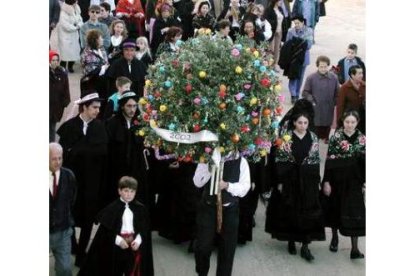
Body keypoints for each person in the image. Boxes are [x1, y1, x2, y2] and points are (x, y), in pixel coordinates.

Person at [57, 91, 108, 267]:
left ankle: (81, 254)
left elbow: (102, 152)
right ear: (84, 107)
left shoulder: (100, 127)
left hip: (92, 183)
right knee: (68, 216)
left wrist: (79, 150)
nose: (97, 111)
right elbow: (63, 154)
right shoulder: (70, 127)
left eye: (99, 108)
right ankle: (74, 245)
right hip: (72, 182)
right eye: (94, 107)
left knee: (88, 219)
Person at [265, 112, 325, 262]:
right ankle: (291, 240)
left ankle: (305, 245)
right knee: (291, 211)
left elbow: (315, 160)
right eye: (300, 123)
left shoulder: (313, 137)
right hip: (290, 181)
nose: (302, 126)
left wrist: (317, 180)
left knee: (308, 213)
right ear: (294, 123)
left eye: (305, 123)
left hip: (308, 181)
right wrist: (280, 181)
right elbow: (280, 160)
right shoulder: (286, 138)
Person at [78, 176, 154, 275]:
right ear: (119, 191)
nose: (129, 194)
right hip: (116, 247)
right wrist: (118, 240)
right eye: (126, 191)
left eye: (132, 191)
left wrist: (138, 240)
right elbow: (105, 233)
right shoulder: (112, 208)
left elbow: (144, 229)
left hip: (134, 246)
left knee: (132, 271)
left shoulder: (140, 209)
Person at [193, 151, 251, 276]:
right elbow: (197, 182)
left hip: (230, 209)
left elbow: (244, 188)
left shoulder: (241, 161)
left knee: (227, 250)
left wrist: (227, 186)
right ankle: (202, 272)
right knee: (202, 246)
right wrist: (210, 169)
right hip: (208, 207)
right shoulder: (206, 159)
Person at [321, 110, 365, 259]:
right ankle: (334, 239)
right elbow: (329, 160)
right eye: (347, 122)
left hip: (354, 182)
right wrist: (326, 181)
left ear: (357, 123)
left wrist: (364, 182)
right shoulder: (336, 137)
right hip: (337, 180)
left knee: (355, 212)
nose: (350, 125)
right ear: (343, 122)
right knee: (335, 210)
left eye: (353, 122)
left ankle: (355, 249)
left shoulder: (362, 139)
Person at [105, 91, 154, 210]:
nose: (132, 109)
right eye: (129, 106)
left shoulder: (140, 124)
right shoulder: (112, 123)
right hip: (118, 168)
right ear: (122, 106)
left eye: (134, 106)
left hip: (136, 167)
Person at [49, 142, 77, 276]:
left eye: (60, 158)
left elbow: (72, 199)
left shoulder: (69, 175)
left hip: (63, 231)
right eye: (54, 159)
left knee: (65, 269)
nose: (58, 162)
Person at [302, 55, 339, 142]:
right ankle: (315, 139)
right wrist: (312, 101)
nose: (323, 69)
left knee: (327, 123)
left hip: (329, 106)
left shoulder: (334, 78)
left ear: (328, 66)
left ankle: (326, 137)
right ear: (317, 66)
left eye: (325, 67)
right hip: (316, 106)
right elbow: (305, 92)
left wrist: (334, 102)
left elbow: (338, 92)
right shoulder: (311, 78)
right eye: (321, 67)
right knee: (316, 123)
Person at [281, 15, 313, 104]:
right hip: (293, 58)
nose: (296, 25)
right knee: (293, 76)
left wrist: (296, 43)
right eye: (295, 23)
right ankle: (293, 95)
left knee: (300, 77)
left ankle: (297, 94)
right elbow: (287, 44)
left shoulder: (309, 31)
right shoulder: (291, 31)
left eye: (298, 23)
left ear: (303, 22)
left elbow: (309, 45)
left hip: (303, 59)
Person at [80, 29, 110, 117]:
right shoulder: (87, 53)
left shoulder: (102, 50)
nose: (102, 40)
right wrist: (104, 67)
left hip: (102, 84)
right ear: (95, 40)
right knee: (91, 106)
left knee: (102, 107)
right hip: (90, 84)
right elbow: (91, 71)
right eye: (101, 38)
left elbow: (106, 61)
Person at [336, 65, 366, 134]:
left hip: (363, 122)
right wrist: (340, 122)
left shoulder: (364, 86)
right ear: (352, 75)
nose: (362, 75)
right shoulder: (344, 88)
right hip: (350, 122)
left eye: (362, 73)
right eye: (359, 73)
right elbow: (340, 106)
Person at [56, 0, 83, 73]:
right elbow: (65, 25)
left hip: (74, 34)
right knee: (65, 52)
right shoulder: (63, 12)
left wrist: (78, 25)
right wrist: (76, 27)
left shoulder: (76, 9)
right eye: (75, 2)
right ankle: (62, 67)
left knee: (74, 52)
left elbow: (80, 19)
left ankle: (70, 66)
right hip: (65, 35)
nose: (77, 3)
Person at [50, 50, 71, 142]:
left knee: (52, 128)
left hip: (56, 107)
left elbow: (66, 89)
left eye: (56, 60)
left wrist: (65, 102)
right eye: (52, 60)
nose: (55, 62)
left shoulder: (62, 73)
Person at [264, 0, 284, 71]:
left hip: (279, 32)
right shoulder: (269, 10)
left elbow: (283, 20)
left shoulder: (280, 9)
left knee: (277, 49)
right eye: (280, 1)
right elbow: (266, 20)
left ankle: (275, 64)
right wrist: (274, 25)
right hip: (272, 32)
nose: (281, 2)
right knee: (270, 49)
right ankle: (268, 65)